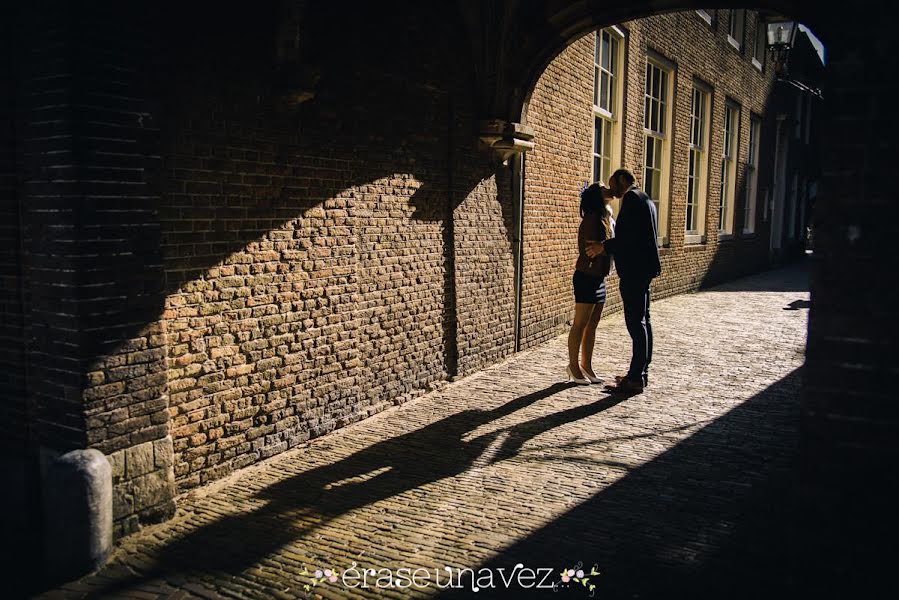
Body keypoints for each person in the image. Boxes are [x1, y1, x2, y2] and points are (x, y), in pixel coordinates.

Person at [586, 169, 661, 394]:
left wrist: (603, 247)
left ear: (621, 179)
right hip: (645, 270)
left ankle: (635, 379)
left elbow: (628, 238)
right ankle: (640, 373)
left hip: (635, 271)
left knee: (635, 323)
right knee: (644, 322)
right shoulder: (646, 199)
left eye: (613, 184)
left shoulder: (631, 198)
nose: (612, 191)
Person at [567, 182, 615, 385]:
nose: (608, 190)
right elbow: (591, 249)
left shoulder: (606, 217)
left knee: (593, 324)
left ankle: (587, 365)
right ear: (597, 196)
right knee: (580, 324)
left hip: (599, 277)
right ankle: (573, 365)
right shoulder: (592, 219)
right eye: (603, 188)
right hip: (587, 276)